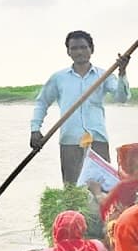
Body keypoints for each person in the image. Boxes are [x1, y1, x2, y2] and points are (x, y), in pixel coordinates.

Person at [29, 30, 131, 185]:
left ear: (91, 49)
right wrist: (35, 129)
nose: (79, 52)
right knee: (72, 188)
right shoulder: (59, 78)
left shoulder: (104, 75)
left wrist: (122, 72)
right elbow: (42, 102)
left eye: (83, 47)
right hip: (70, 141)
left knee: (103, 188)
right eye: (74, 48)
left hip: (97, 140)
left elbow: (121, 98)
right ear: (68, 52)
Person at [93, 143, 138, 222]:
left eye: (121, 161)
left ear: (130, 163)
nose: (120, 164)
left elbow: (105, 211)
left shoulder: (126, 186)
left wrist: (97, 193)